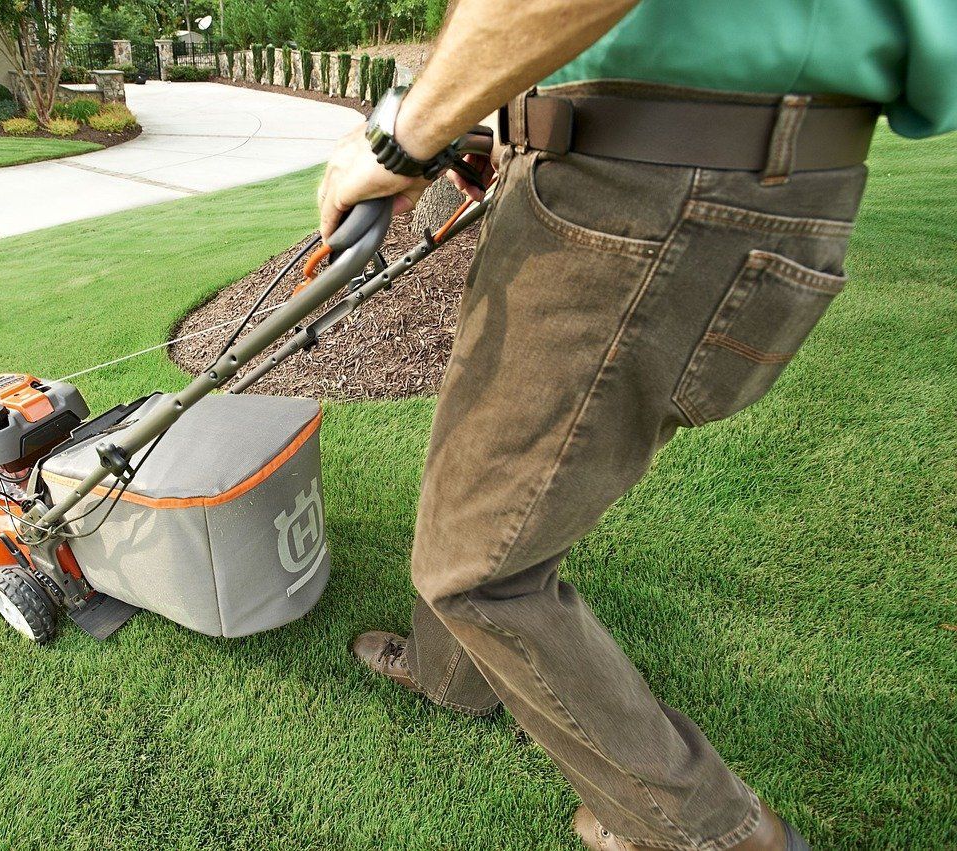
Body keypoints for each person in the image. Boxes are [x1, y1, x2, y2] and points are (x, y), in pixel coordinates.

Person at [317, 0, 955, 848]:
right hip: (662, 166)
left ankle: (707, 832)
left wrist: (407, 133)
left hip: (662, 183)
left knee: (478, 567)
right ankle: (450, 677)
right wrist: (513, 122)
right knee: (481, 475)